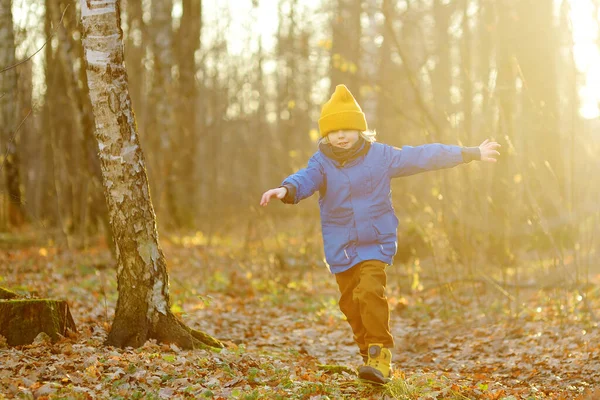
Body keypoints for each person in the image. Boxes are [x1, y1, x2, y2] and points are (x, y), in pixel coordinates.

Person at [259, 84, 500, 384]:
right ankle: (368, 357)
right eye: (335, 131)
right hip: (342, 248)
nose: (342, 136)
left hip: (375, 242)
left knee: (370, 291)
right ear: (326, 134)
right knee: (350, 304)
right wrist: (286, 189)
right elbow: (305, 179)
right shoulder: (320, 162)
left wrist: (469, 153)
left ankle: (379, 353)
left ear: (360, 129)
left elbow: (423, 156)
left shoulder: (381, 156)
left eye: (348, 128)